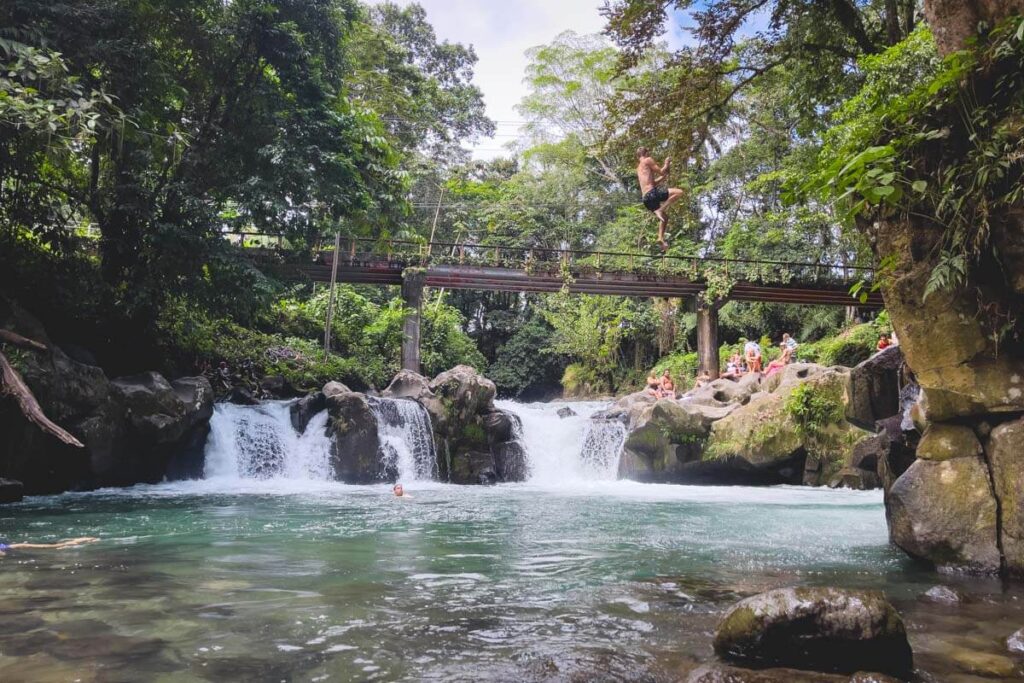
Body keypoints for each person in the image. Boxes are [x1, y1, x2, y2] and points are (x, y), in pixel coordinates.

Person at [636, 147, 687, 251]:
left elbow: (653, 182)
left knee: (665, 218)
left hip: (646, 199)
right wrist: (666, 163)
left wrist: (663, 178)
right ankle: (660, 209)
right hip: (652, 194)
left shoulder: (639, 168)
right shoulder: (648, 160)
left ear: (638, 156)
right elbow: (661, 172)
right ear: (647, 153)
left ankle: (660, 238)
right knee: (679, 192)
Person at [1, 537, 98, 555]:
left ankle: (87, 539)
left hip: (18, 547)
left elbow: (2, 554)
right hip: (15, 546)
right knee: (56, 544)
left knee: (58, 545)